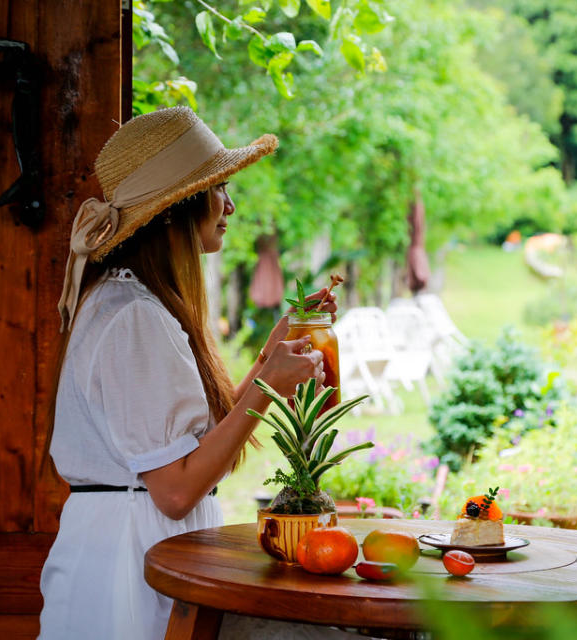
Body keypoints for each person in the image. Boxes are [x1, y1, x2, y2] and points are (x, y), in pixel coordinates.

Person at [38, 107, 347, 639]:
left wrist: (269, 357)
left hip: (135, 544)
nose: (229, 206)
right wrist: (270, 384)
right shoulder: (135, 316)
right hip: (130, 564)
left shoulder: (134, 303)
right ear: (177, 207)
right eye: (219, 188)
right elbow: (176, 492)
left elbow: (191, 455)